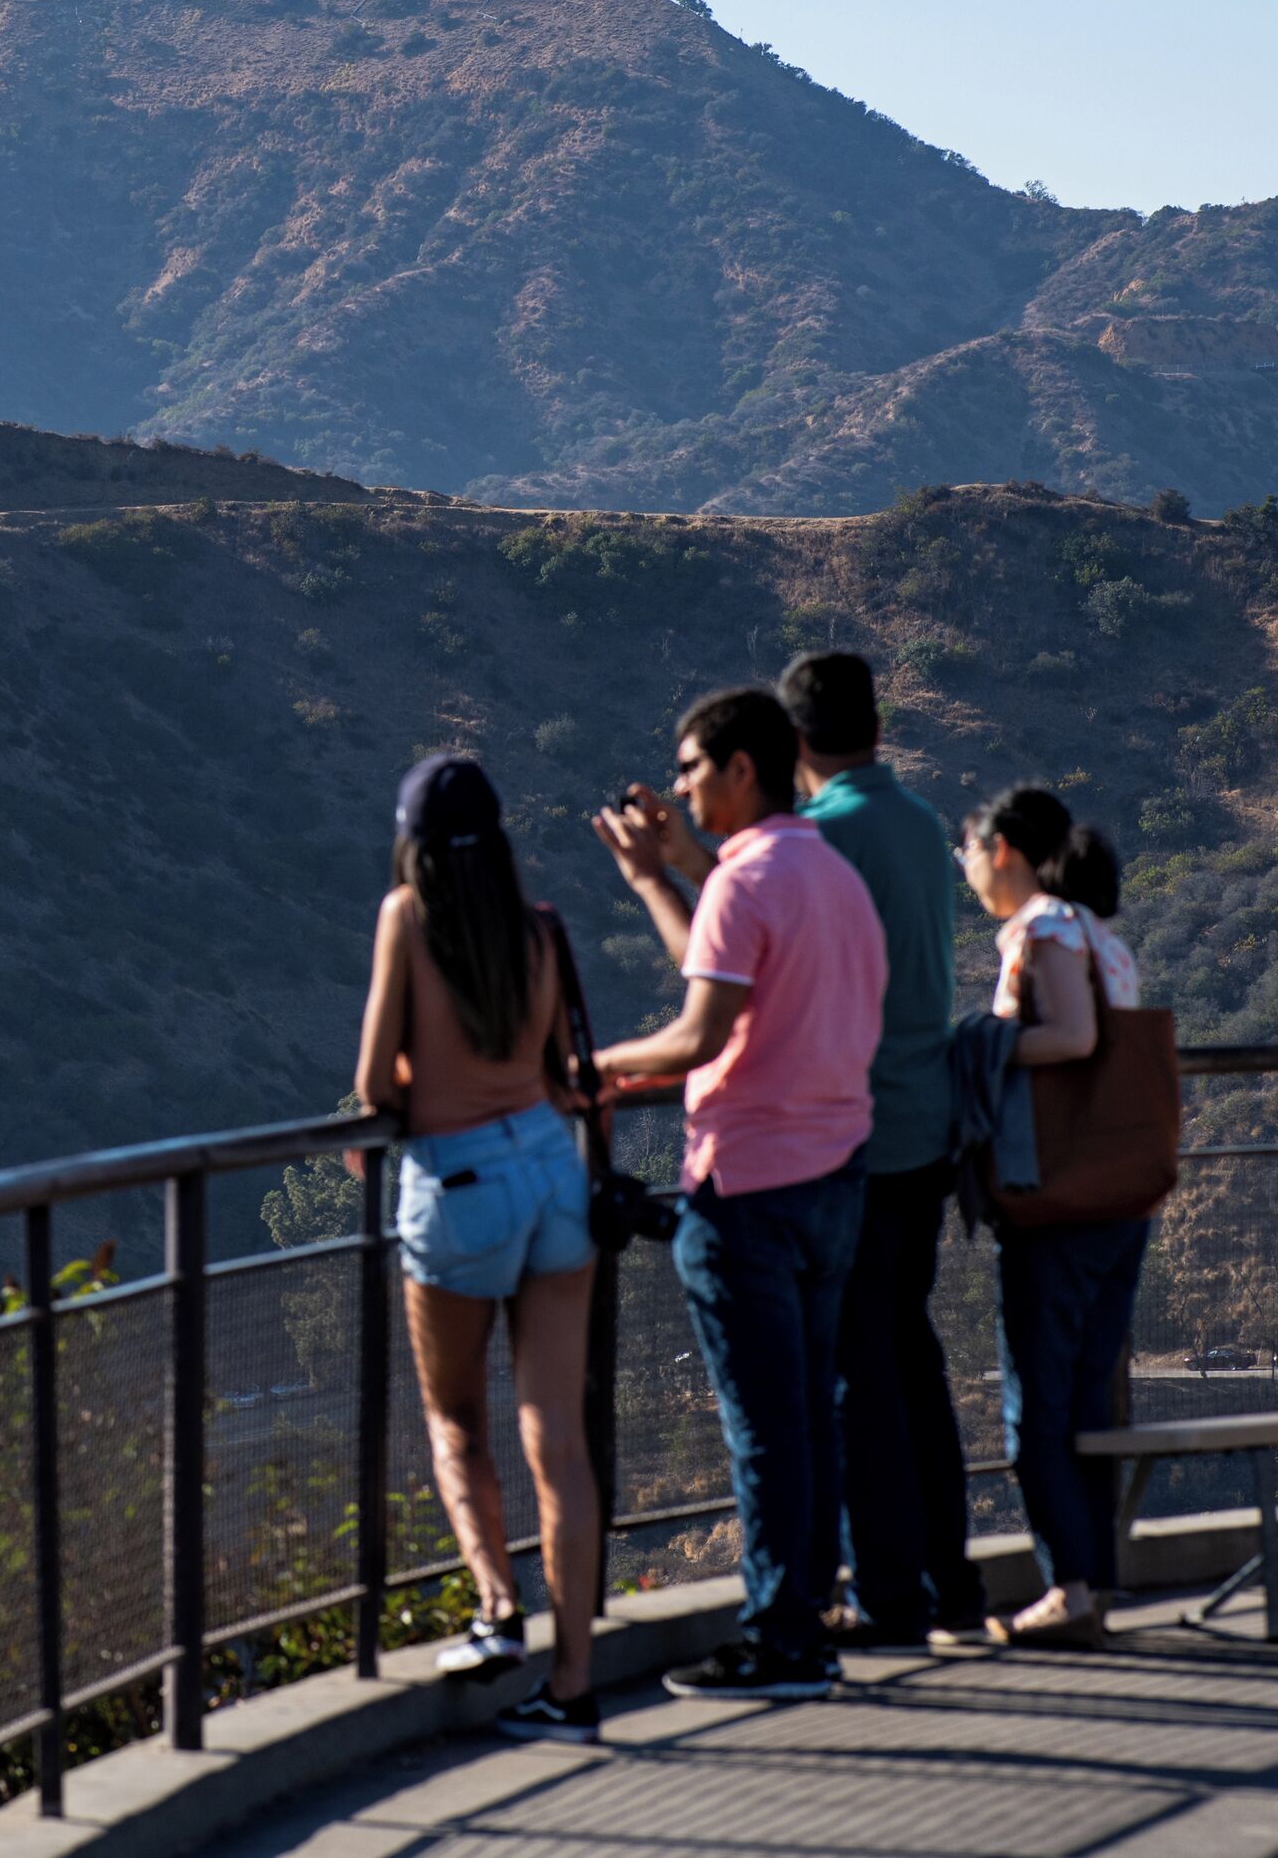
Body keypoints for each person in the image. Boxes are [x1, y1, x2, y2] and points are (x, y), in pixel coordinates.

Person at [593, 688, 884, 1700]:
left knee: (762, 1426)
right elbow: (720, 966)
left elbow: (699, 1033)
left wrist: (586, 1070)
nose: (677, 788)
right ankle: (807, 1614)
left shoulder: (746, 882)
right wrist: (660, 873)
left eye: (690, 769)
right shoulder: (826, 875)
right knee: (804, 1413)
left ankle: (781, 1639)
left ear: (741, 768)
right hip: (834, 1174)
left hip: (747, 1183)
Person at [353, 753, 604, 1744]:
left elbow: (376, 1083)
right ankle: (573, 1686)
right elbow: (554, 1070)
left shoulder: (406, 918)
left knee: (455, 1412)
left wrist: (427, 1086)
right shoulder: (538, 928)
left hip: (458, 1185)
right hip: (550, 1166)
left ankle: (498, 1612)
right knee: (559, 1437)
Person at [777, 652, 987, 1651]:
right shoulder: (915, 822)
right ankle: (951, 1577)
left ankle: (888, 1590)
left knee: (859, 1372)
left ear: (795, 743)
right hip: (925, 1123)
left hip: (853, 1131)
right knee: (911, 1358)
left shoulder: (823, 837)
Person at [958, 784, 1148, 1647]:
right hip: (1118, 1192)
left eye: (969, 850)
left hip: (1057, 1200)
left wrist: (974, 1045)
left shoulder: (1044, 928)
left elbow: (1071, 1038)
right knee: (1088, 1394)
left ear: (1002, 848)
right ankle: (1093, 1578)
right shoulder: (1101, 936)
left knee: (1037, 1403)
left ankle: (1066, 1585)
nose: (966, 869)